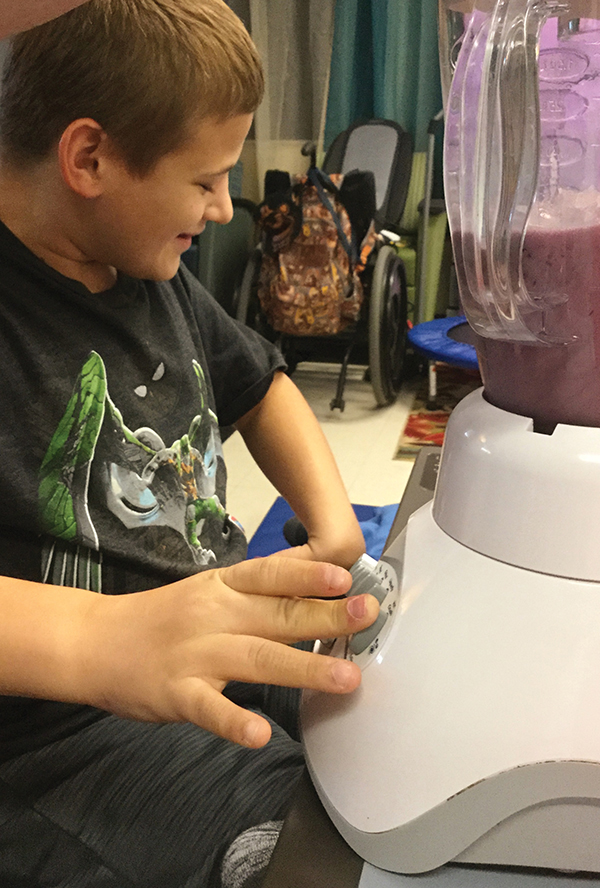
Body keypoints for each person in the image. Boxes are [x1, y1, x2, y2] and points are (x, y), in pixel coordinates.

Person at [0, 0, 378, 885]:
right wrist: (107, 635)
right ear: (88, 158)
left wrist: (332, 525)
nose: (221, 208)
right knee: (312, 850)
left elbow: (265, 386)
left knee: (396, 710)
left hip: (210, 636)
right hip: (66, 736)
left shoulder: (145, 273)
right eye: (205, 180)